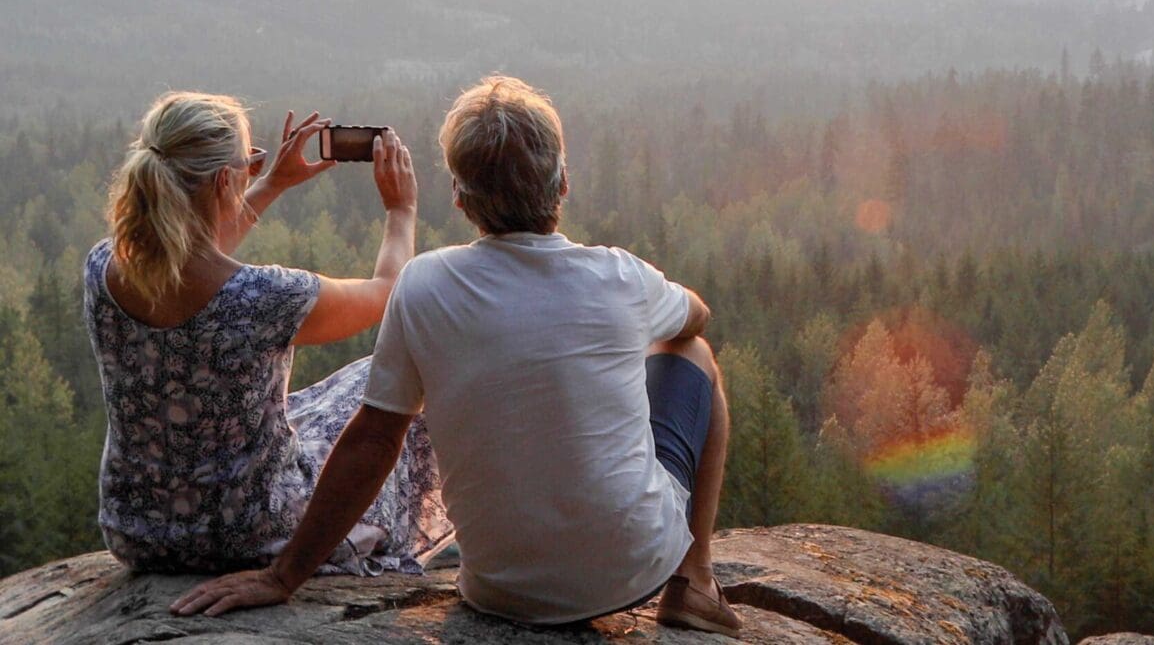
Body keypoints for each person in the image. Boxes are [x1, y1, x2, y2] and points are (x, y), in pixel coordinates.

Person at [173, 76, 742, 636]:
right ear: (562, 184)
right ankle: (693, 580)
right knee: (693, 353)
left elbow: (374, 439)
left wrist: (283, 576)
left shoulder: (425, 285)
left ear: (460, 197)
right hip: (633, 572)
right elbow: (695, 317)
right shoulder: (620, 275)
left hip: (500, 590)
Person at [85, 91, 452, 575]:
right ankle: (383, 540)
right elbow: (387, 292)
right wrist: (401, 210)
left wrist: (271, 183)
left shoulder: (104, 267)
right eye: (248, 164)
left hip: (136, 531)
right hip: (248, 532)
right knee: (395, 384)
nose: (254, 169)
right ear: (223, 180)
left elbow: (188, 250)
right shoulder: (265, 297)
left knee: (312, 407)